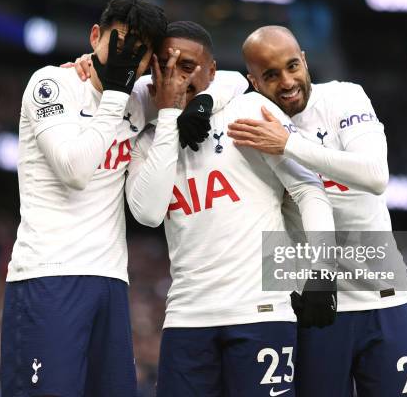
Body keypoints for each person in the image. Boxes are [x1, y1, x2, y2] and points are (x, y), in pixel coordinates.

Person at [123, 21, 337, 397]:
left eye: (187, 67)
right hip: (186, 317)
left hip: (260, 311)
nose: (175, 77)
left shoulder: (249, 109)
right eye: (164, 66)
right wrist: (171, 118)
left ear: (212, 71)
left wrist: (321, 271)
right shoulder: (146, 137)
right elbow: (147, 213)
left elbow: (309, 191)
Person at [227, 25, 407, 396]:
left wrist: (290, 145)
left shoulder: (344, 98)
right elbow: (210, 77)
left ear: (304, 60)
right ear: (253, 81)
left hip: (383, 295)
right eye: (271, 75)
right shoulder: (252, 121)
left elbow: (375, 175)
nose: (287, 82)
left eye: (292, 66)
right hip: (314, 304)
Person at [0, 0, 170, 396]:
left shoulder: (139, 100)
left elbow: (218, 81)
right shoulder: (51, 83)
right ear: (95, 36)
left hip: (111, 282)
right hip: (48, 276)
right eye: (120, 43)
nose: (129, 58)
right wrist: (113, 95)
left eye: (140, 53)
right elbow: (75, 170)